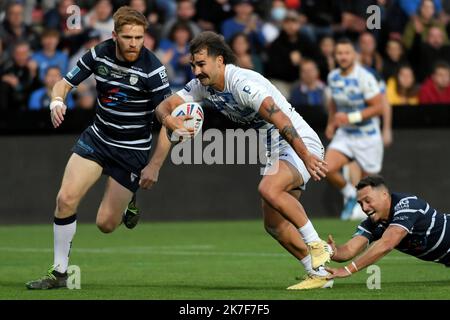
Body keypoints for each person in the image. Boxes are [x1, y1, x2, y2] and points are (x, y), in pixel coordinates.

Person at [155, 31, 334, 290]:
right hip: (274, 149)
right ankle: (319, 274)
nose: (196, 71)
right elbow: (163, 106)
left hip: (298, 141)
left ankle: (317, 244)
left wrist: (306, 156)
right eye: (193, 64)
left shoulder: (242, 84)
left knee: (268, 188)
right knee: (273, 225)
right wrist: (168, 120)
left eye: (201, 64)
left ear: (220, 61)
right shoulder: (201, 86)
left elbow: (281, 119)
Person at [26, 6, 172, 290]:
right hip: (97, 140)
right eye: (128, 37)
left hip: (131, 152)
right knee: (65, 199)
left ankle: (129, 201)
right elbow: (64, 84)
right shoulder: (99, 53)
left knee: (105, 225)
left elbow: (167, 120)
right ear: (115, 35)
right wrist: (57, 101)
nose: (134, 43)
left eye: (139, 37)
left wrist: (154, 165)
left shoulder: (153, 69)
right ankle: (59, 274)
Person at [326, 175, 450, 281]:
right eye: (360, 203)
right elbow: (349, 249)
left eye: (368, 201)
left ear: (384, 195)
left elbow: (387, 243)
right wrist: (331, 252)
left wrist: (348, 269)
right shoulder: (372, 222)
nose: (364, 208)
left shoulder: (407, 205)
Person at [325, 38, 385, 221]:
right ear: (335, 56)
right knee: (326, 168)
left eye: (346, 53)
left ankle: (372, 217)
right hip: (346, 135)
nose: (343, 57)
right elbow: (334, 102)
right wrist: (331, 123)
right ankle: (351, 194)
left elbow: (379, 107)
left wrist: (351, 117)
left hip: (367, 136)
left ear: (354, 56)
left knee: (369, 183)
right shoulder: (333, 77)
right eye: (339, 53)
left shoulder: (365, 77)